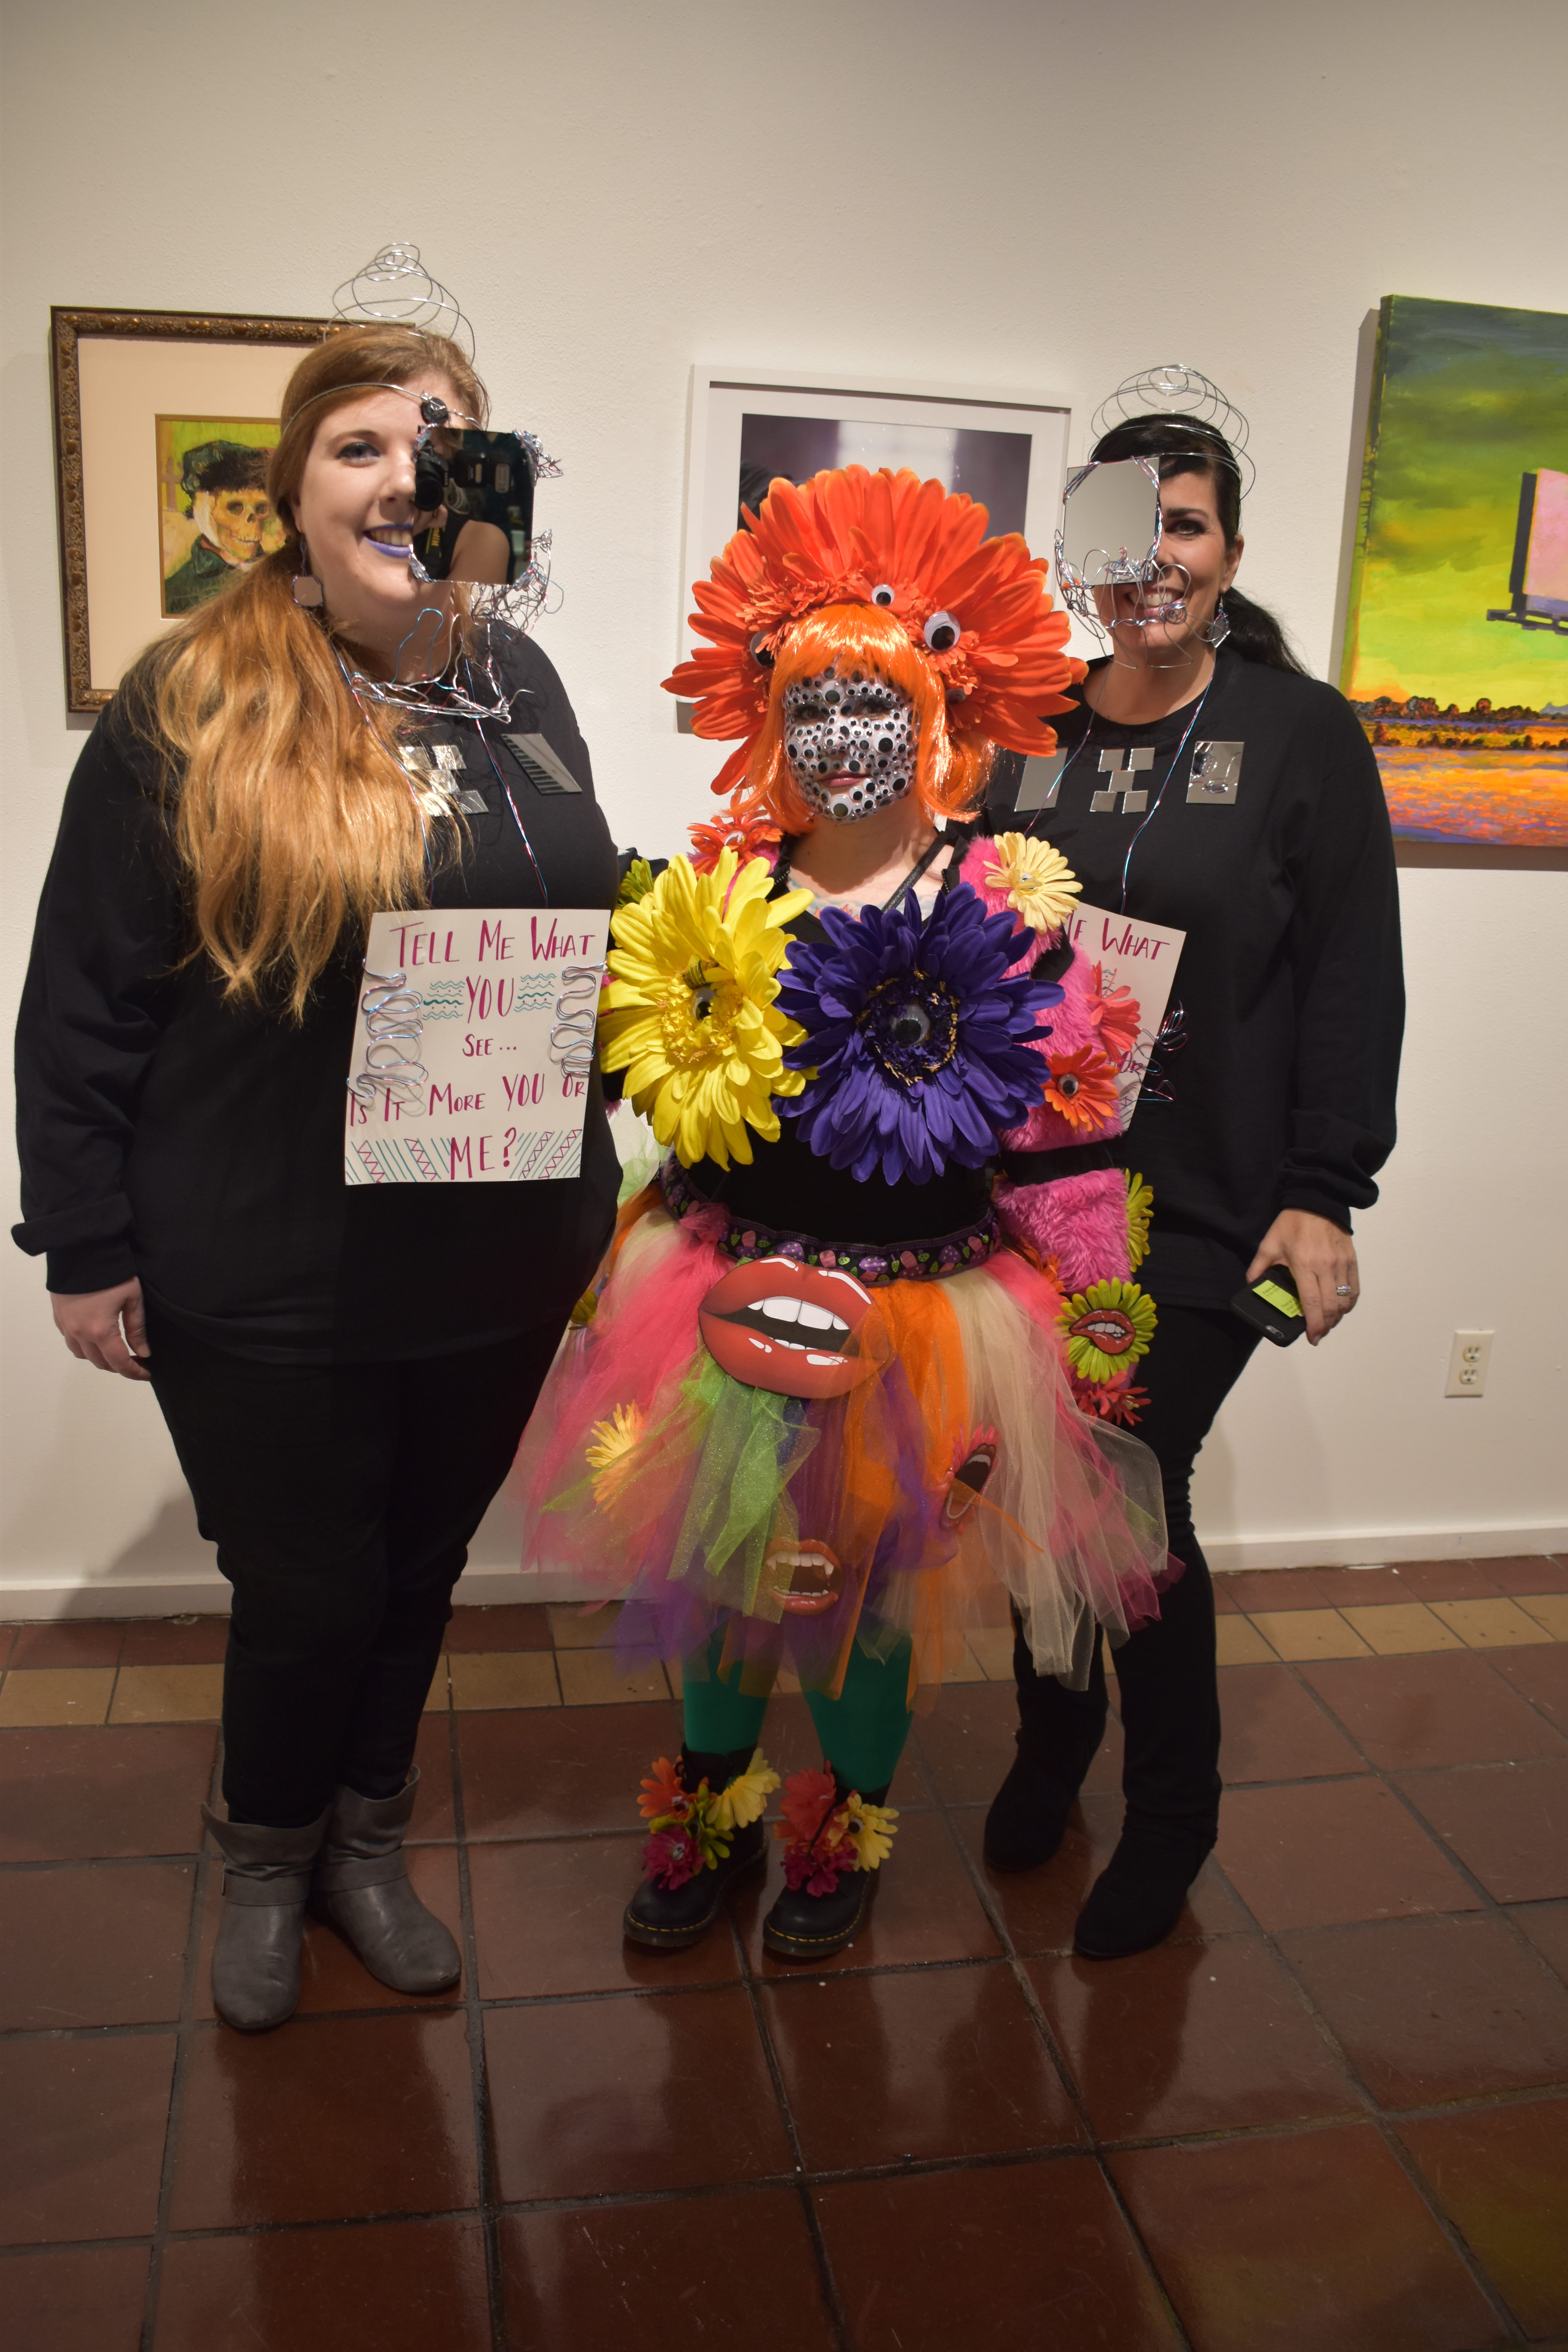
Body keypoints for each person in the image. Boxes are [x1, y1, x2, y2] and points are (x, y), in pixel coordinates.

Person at [14, 323, 620, 2029]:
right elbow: (85, 994)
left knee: (418, 1572)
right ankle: (271, 1857)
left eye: (444, 444)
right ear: (292, 492)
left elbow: (571, 925)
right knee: (305, 1588)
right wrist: (82, 1239)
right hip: (271, 1255)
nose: (405, 477)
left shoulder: (521, 684)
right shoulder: (192, 699)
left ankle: (367, 1841)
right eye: (361, 445)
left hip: (495, 1247)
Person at [514, 463, 1171, 1962]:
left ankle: (844, 1827)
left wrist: (1091, 1304)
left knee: (867, 1599)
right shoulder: (718, 879)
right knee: (716, 1578)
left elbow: (1063, 1129)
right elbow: (637, 1058)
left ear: (934, 710)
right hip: (715, 1286)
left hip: (922, 1321)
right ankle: (710, 1810)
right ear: (771, 714)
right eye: (814, 702)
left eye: (874, 702)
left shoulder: (1006, 899)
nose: (844, 733)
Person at [982, 386, 1404, 1956]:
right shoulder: (1029, 725)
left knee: (1125, 1478)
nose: (1153, 556)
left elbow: (1353, 974)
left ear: (1228, 549)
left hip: (1209, 1198)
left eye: (1184, 524)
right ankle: (1053, 1732)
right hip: (1026, 1195)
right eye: (1126, 525)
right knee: (1033, 1476)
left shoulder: (1298, 734)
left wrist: (1324, 1189)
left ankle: (1169, 1811)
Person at [161, 439, 279, 614]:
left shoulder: (281, 575)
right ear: (204, 508)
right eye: (235, 508)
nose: (253, 520)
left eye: (261, 509)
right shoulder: (177, 594)